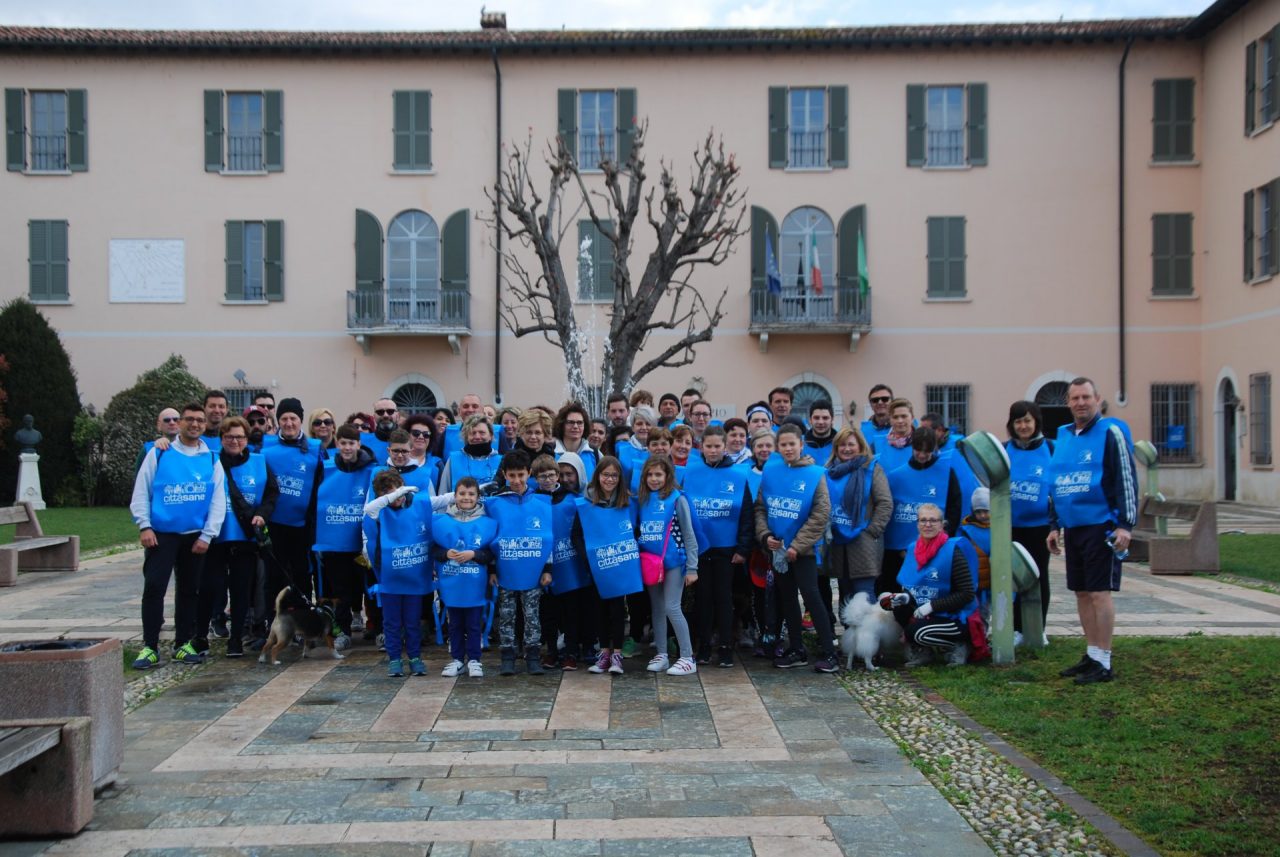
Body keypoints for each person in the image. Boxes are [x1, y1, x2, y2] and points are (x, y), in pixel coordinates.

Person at [1048, 377, 1137, 686]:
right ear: (1068, 403)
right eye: (1075, 398)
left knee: (1100, 592)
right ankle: (1092, 654)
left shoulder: (1110, 433)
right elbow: (1057, 483)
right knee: (1082, 592)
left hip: (1103, 524)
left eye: (1086, 397)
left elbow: (1126, 479)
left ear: (1097, 399)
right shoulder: (1064, 436)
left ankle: (1105, 660)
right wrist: (1054, 524)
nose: (1081, 403)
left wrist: (1126, 524)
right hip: (1073, 526)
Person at [129, 402, 227, 669]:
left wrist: (208, 535)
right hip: (162, 534)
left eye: (199, 420)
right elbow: (141, 490)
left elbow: (219, 499)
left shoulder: (211, 458)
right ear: (179, 423)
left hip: (194, 535)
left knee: (189, 591)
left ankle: (183, 643)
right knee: (154, 587)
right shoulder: (159, 454)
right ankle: (149, 646)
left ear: (205, 425)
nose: (194, 424)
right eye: (189, 420)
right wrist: (144, 526)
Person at [755, 423, 838, 673]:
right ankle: (797, 649)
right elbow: (761, 507)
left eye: (793, 443)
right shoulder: (771, 471)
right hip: (778, 549)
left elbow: (821, 513)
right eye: (784, 444)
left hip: (804, 551)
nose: (788, 448)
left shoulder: (815, 473)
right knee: (787, 599)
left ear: (801, 445)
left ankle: (829, 651)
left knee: (812, 597)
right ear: (778, 447)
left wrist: (798, 545)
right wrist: (765, 535)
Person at [196, 416, 277, 659]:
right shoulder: (210, 461)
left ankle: (235, 640)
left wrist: (262, 515)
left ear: (246, 439)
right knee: (209, 588)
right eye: (229, 436)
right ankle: (200, 636)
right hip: (215, 536)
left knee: (242, 591)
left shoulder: (260, 462)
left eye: (240, 436)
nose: (235, 441)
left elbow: (272, 493)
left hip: (245, 537)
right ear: (221, 438)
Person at [683, 425, 753, 668]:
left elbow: (746, 514)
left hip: (727, 548)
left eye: (717, 446)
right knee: (703, 598)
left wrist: (743, 548)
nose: (713, 450)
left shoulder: (739, 474)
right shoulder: (691, 472)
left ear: (725, 447)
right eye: (708, 446)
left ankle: (725, 646)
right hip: (699, 548)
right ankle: (703, 645)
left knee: (724, 597)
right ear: (701, 447)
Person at [485, 450, 554, 676]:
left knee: (532, 614)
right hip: (506, 570)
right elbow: (492, 539)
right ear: (504, 474)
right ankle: (507, 655)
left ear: (529, 473)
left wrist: (547, 568)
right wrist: (493, 569)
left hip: (533, 571)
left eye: (521, 475)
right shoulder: (495, 504)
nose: (516, 480)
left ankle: (533, 655)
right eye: (512, 475)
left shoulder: (543, 502)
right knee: (507, 614)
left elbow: (547, 538)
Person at [573, 456, 643, 675]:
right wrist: (589, 560)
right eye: (606, 475)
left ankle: (617, 655)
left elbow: (637, 531)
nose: (610, 479)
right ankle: (603, 653)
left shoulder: (629, 502)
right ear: (598, 476)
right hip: (597, 566)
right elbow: (576, 535)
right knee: (600, 610)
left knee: (617, 610)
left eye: (614, 475)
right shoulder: (585, 503)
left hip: (621, 565)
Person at [884, 502, 977, 667]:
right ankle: (924, 653)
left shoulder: (952, 550)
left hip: (956, 616)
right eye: (923, 520)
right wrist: (904, 597)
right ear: (917, 524)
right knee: (899, 609)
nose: (928, 524)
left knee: (916, 633)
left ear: (942, 524)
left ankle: (960, 645)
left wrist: (932, 606)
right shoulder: (913, 549)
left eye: (933, 520)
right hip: (929, 612)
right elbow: (913, 584)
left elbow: (967, 594)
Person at [362, 470, 431, 678]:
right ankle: (394, 659)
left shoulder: (416, 505)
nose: (398, 497)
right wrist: (397, 492)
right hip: (389, 578)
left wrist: (475, 490)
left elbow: (440, 501)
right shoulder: (378, 510)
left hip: (412, 578)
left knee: (412, 621)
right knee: (391, 622)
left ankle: (415, 657)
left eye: (399, 491)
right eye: (390, 493)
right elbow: (369, 508)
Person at [313, 424, 378, 641]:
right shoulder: (327, 467)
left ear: (359, 444)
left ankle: (377, 628)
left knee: (369, 586)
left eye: (352, 443)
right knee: (341, 588)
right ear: (337, 443)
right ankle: (343, 631)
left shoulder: (372, 469)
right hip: (335, 540)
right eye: (343, 443)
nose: (347, 447)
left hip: (363, 541)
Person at [636, 456, 700, 676]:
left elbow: (689, 534)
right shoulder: (642, 500)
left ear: (668, 476)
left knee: (672, 607)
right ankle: (662, 653)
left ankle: (687, 656)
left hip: (674, 562)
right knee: (657, 608)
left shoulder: (677, 499)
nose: (654, 479)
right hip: (651, 564)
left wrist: (692, 567)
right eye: (650, 474)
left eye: (659, 474)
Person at [432, 476, 498, 678]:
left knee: (473, 623)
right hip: (452, 584)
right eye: (462, 493)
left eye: (471, 494)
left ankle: (475, 660)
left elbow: (490, 553)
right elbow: (434, 549)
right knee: (455, 624)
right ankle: (457, 659)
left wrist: (474, 555)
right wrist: (445, 554)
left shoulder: (488, 522)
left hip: (475, 585)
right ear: (455, 495)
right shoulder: (442, 520)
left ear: (478, 496)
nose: (466, 497)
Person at [884, 426, 963, 594]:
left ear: (934, 449)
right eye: (918, 450)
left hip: (934, 544)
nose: (921, 455)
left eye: (927, 451)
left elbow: (955, 506)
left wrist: (945, 533)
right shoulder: (897, 475)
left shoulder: (947, 473)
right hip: (901, 547)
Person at [262, 397, 324, 603]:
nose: (289, 423)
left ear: (300, 421)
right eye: (284, 418)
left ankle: (302, 620)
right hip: (273, 523)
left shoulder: (315, 448)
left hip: (303, 525)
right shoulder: (265, 446)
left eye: (293, 418)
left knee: (301, 573)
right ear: (278, 420)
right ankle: (274, 623)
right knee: (274, 574)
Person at [824, 426, 892, 609]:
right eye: (842, 445)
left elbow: (885, 503)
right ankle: (848, 636)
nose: (846, 449)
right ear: (836, 448)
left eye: (851, 444)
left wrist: (872, 531)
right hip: (838, 542)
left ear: (860, 446)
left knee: (864, 595)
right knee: (845, 595)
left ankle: (868, 636)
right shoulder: (829, 472)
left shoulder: (872, 469)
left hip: (864, 542)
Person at [1005, 400, 1054, 633]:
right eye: (1018, 421)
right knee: (1013, 578)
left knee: (1038, 576)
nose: (1023, 426)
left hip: (1040, 528)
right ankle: (1015, 629)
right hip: (1010, 527)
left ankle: (1038, 629)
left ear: (1036, 422)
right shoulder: (1004, 451)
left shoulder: (1052, 449)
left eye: (1027, 420)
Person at [438, 415, 503, 491]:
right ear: (466, 437)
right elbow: (443, 491)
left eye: (482, 433)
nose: (477, 437)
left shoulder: (501, 461)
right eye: (473, 433)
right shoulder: (453, 459)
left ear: (491, 436)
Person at [552, 401, 598, 478]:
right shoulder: (551, 452)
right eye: (570, 422)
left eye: (580, 423)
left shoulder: (594, 452)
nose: (575, 426)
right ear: (561, 425)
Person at [133, 407, 181, 472]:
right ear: (159, 425)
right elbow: (139, 478)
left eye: (175, 419)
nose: (172, 423)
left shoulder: (195, 446)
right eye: (167, 420)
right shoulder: (148, 449)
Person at [879, 398, 916, 472]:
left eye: (904, 416)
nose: (900, 421)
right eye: (895, 417)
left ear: (912, 418)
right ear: (890, 420)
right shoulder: (877, 445)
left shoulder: (923, 442)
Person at [860, 384, 895, 450]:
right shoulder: (863, 432)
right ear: (871, 404)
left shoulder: (904, 427)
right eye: (875, 400)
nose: (880, 402)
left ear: (892, 402)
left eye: (885, 399)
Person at [803, 399, 837, 464]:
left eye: (825, 418)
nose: (820, 422)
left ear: (832, 420)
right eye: (816, 418)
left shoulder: (841, 443)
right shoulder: (799, 444)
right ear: (810, 420)